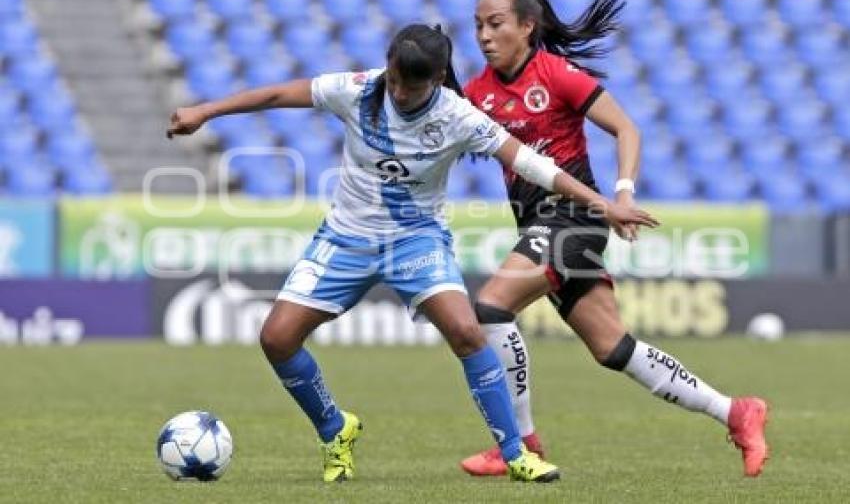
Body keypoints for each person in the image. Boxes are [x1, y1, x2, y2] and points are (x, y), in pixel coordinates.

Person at [167, 24, 657, 483]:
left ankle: (515, 454)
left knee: (467, 332)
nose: (401, 94)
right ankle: (335, 429)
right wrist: (204, 112)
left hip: (416, 242)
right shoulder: (356, 89)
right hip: (345, 240)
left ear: (439, 80)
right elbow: (277, 94)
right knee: (276, 339)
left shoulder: (457, 115)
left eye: (413, 88)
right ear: (388, 65)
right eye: (397, 82)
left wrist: (604, 204)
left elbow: (531, 164)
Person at [459, 0, 769, 478]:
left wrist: (622, 194)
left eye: (495, 23)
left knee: (492, 306)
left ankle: (519, 444)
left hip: (574, 218)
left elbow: (627, 128)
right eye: (478, 25)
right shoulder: (478, 93)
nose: (484, 35)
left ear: (526, 27)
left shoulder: (557, 74)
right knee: (613, 348)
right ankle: (735, 411)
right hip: (538, 222)